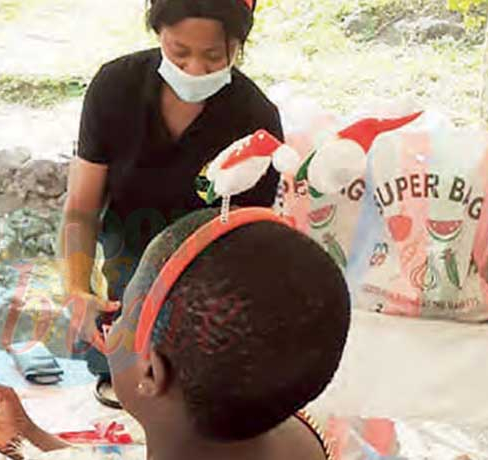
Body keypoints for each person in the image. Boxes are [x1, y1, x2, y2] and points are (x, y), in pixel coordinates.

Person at [0, 207, 351, 460]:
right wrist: (31, 440)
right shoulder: (305, 432)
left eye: (125, 311)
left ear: (151, 370)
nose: (113, 320)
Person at [60, 0, 283, 407]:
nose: (195, 69)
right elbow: (80, 207)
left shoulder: (255, 119)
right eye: (179, 52)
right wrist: (77, 289)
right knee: (121, 377)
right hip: (125, 282)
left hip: (208, 296)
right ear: (157, 33)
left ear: (238, 44)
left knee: (193, 394)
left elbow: (254, 241)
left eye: (214, 56)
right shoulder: (115, 89)